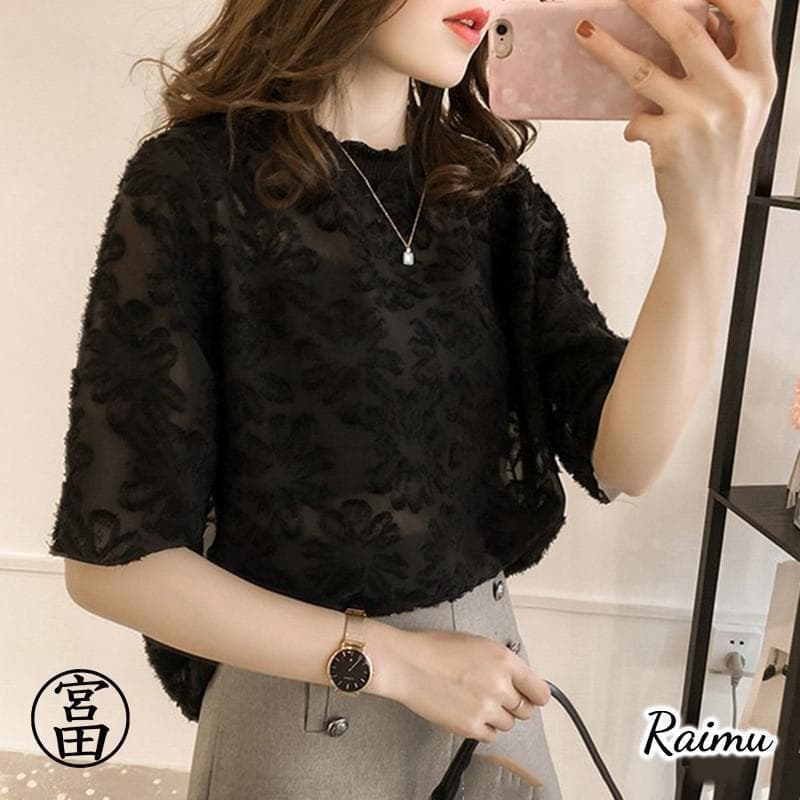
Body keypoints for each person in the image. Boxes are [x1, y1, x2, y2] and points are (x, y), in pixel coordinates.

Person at [51, 0, 777, 793]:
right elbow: (114, 563)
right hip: (306, 727)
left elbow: (624, 458)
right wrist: (394, 662)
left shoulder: (495, 199)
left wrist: (705, 217)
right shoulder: (192, 186)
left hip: (493, 703)